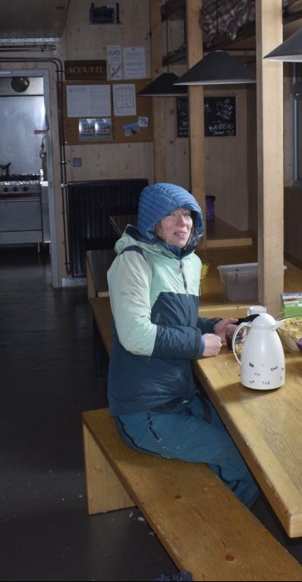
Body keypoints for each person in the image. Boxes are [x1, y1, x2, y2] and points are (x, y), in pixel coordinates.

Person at [106, 182, 259, 508]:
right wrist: (196, 342)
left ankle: (221, 515)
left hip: (181, 397)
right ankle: (222, 537)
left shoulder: (185, 262)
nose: (183, 223)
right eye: (171, 215)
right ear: (153, 222)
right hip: (145, 411)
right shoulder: (133, 262)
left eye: (188, 214)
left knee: (251, 443)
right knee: (242, 461)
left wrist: (212, 326)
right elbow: (135, 335)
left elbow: (173, 322)